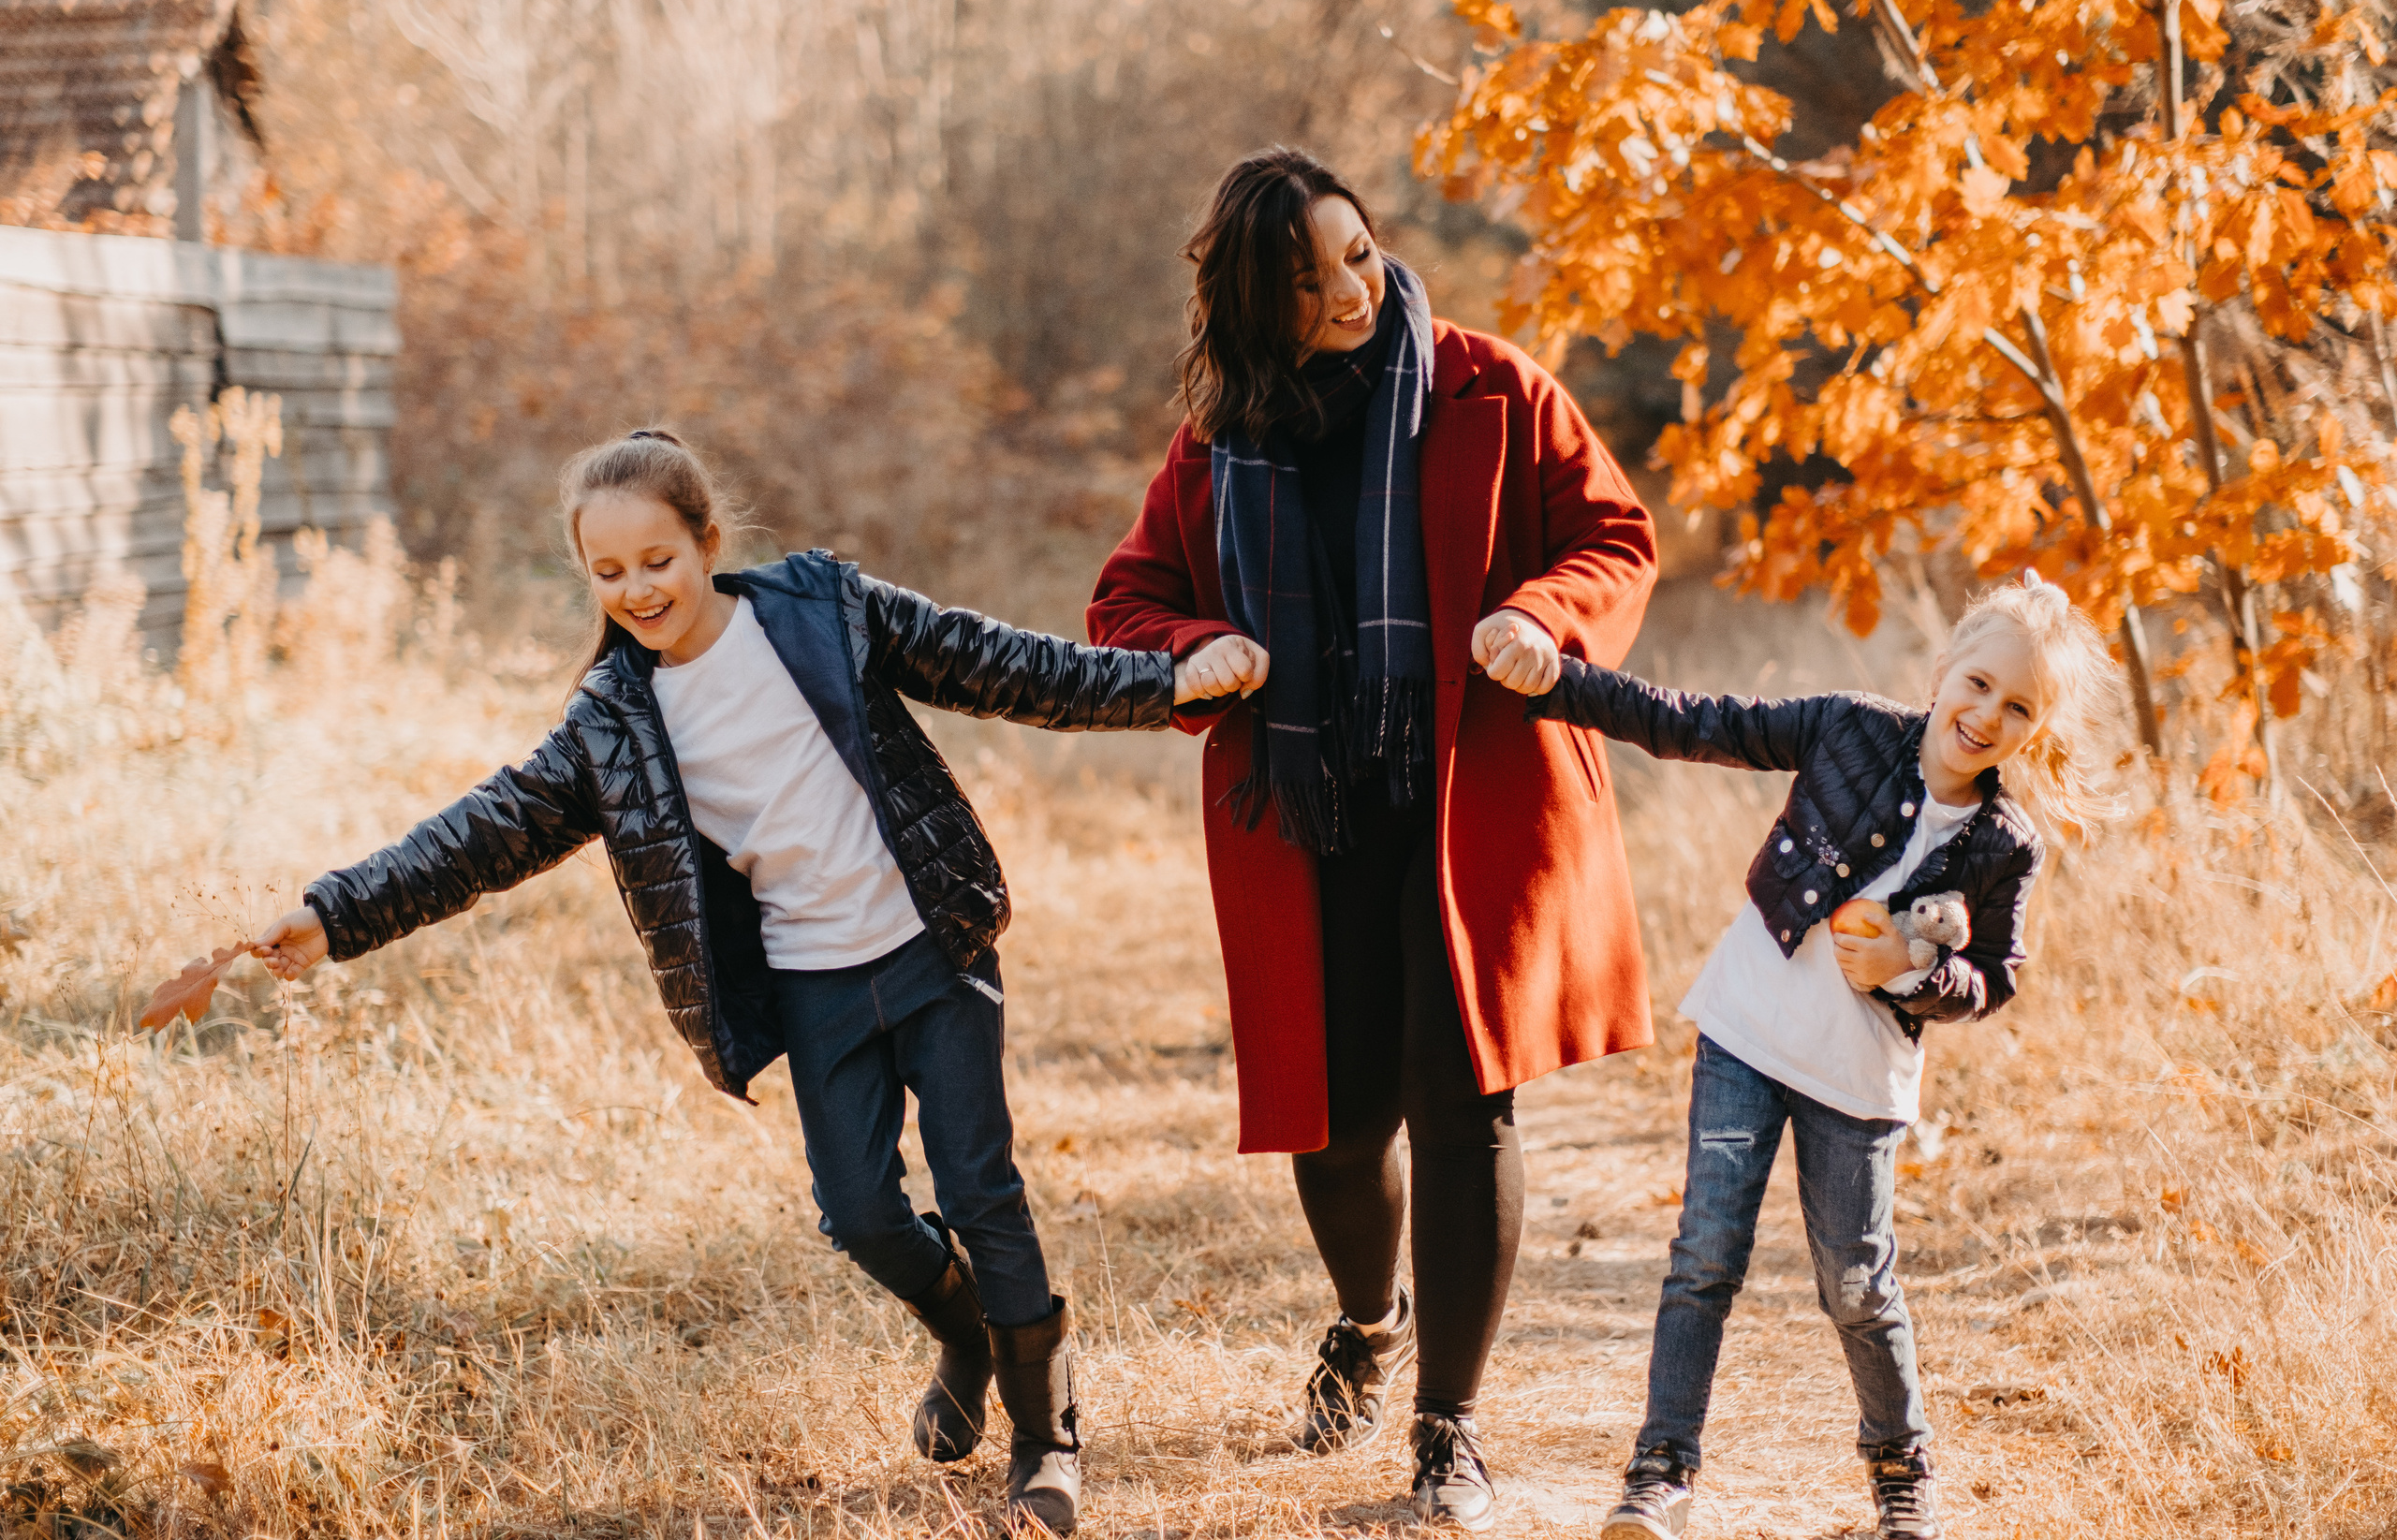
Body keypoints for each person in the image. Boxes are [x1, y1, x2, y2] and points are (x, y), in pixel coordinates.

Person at [247, 429, 1254, 1536]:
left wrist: (1167, 685)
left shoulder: (825, 610)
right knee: (863, 1214)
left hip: (931, 948)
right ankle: (965, 1331)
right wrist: (337, 914)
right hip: (814, 982)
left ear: (707, 542)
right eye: (609, 571)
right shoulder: (613, 722)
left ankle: (1044, 1438)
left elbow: (1008, 666)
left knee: (980, 1187)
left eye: (658, 561)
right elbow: (484, 834)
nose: (638, 590)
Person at [1087, 147, 1658, 1531]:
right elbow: (1128, 599)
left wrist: (1546, 613)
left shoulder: (1490, 385)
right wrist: (1198, 640)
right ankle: (1369, 1312)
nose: (1349, 291)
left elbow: (1616, 534)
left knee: (1465, 1104)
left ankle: (1447, 1432)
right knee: (1335, 1131)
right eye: (1306, 278)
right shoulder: (1217, 444)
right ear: (1249, 302)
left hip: (1476, 800)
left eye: (1356, 253)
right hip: (1308, 815)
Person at [1532, 577, 2124, 1540]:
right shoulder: (1845, 728)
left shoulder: (2005, 843)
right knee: (1702, 1259)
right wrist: (1554, 683)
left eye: (2018, 707)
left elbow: (1992, 978)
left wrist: (1911, 971)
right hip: (1745, 1033)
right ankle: (1659, 1473)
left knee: (1854, 1281)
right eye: (1976, 684)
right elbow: (1690, 721)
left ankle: (1900, 1464)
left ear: (2036, 727)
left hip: (1858, 1083)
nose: (1985, 715)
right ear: (1942, 673)